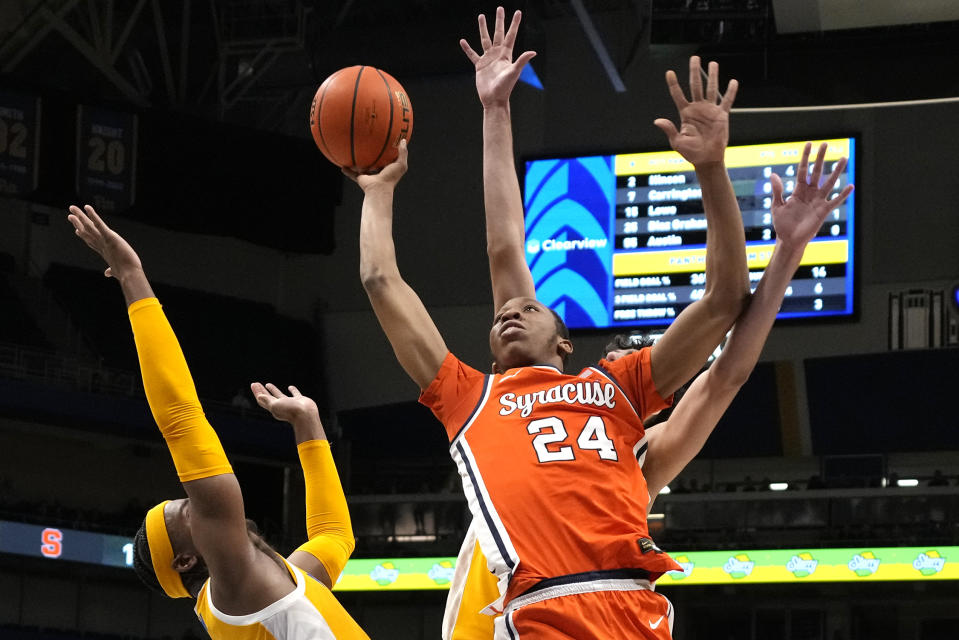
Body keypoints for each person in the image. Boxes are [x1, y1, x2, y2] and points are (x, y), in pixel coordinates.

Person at [350, 4, 758, 631]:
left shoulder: (615, 386)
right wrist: (389, 188)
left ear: (565, 342)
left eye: (529, 306)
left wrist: (712, 174)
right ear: (491, 352)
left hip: (634, 605)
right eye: (502, 313)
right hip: (543, 608)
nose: (511, 310)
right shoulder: (470, 398)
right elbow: (389, 277)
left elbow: (725, 301)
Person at [444, 140, 853, 638]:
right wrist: (494, 108)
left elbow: (727, 373)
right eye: (612, 357)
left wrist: (788, 252)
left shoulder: (645, 457)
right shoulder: (526, 399)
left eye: (631, 359)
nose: (617, 365)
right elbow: (504, 249)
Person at [66, 205, 368, 639]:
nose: (204, 501)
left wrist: (309, 429)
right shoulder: (235, 589)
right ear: (187, 560)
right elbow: (180, 417)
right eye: (189, 508)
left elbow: (336, 535)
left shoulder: (269, 586)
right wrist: (132, 276)